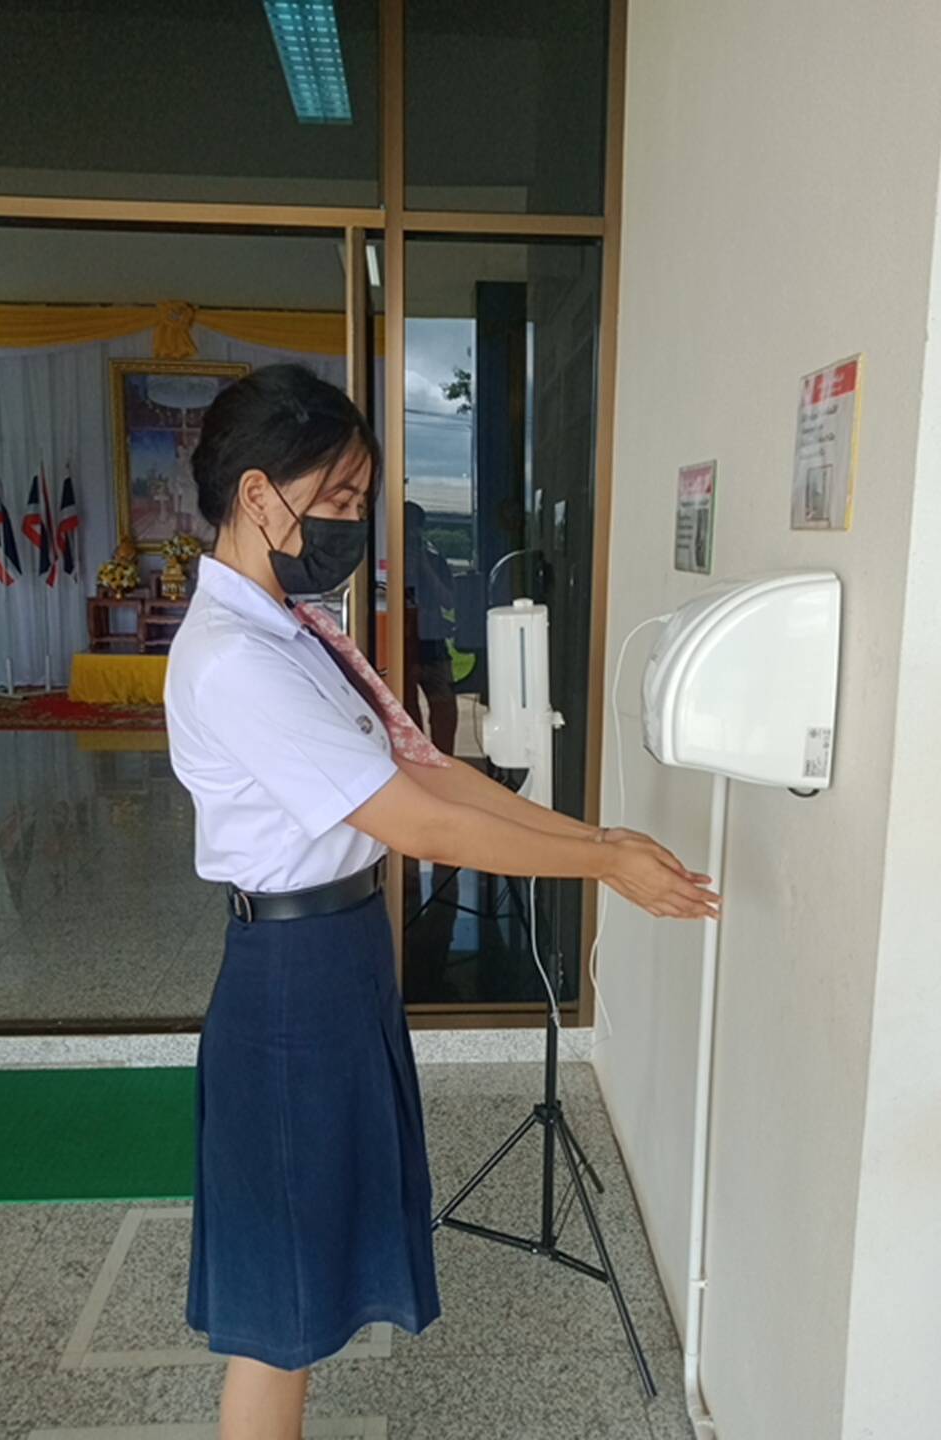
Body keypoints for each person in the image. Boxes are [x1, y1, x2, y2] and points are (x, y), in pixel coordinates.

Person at [163, 363, 720, 1440]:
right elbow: (420, 825)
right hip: (290, 986)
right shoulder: (236, 661)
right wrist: (600, 866)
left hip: (337, 958)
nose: (352, 523)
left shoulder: (294, 630)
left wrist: (598, 840)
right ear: (257, 494)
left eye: (361, 500)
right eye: (336, 498)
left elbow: (427, 773)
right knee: (280, 1315)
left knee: (309, 1276)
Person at [403, 499, 459, 754]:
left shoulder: (434, 560)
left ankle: (446, 758)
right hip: (402, 642)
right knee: (405, 706)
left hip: (432, 640)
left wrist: (424, 565)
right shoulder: (385, 561)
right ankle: (417, 758)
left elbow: (449, 601)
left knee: (444, 705)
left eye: (413, 529)